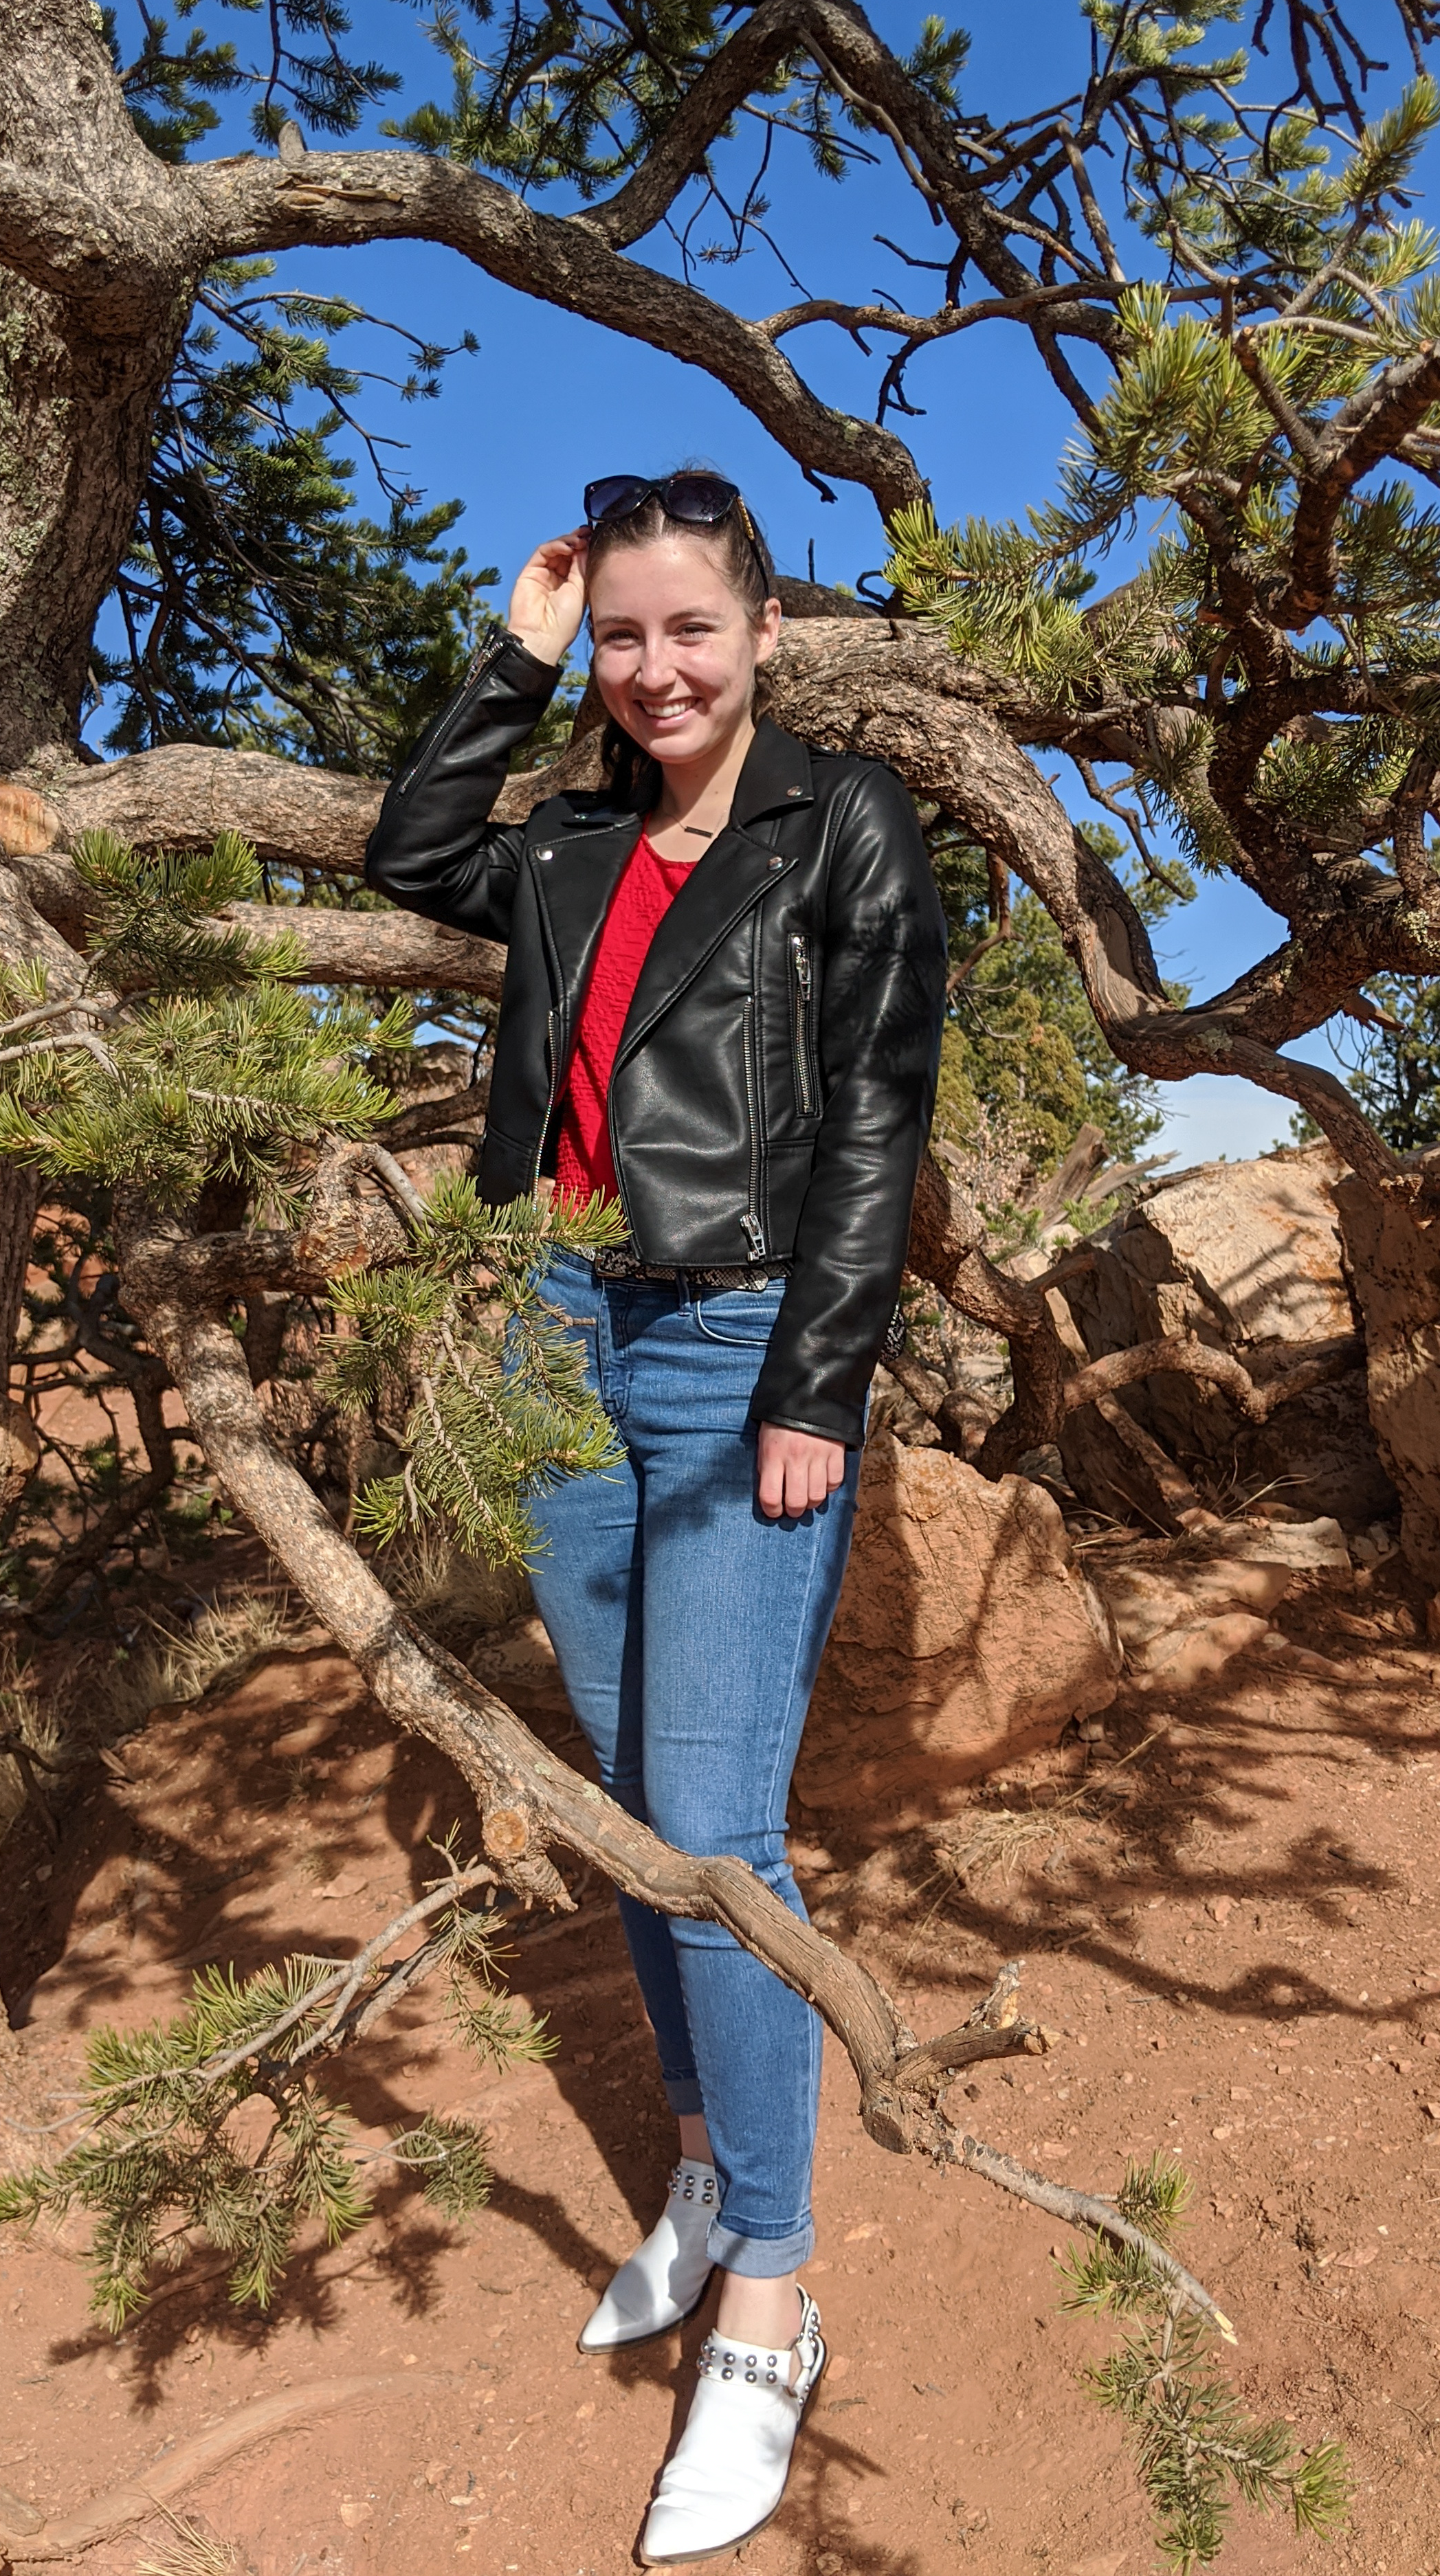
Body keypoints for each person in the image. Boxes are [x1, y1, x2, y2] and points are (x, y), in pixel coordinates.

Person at [366, 469, 947, 2563]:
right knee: (627, 1791)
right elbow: (411, 847)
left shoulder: (843, 826)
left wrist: (820, 1383)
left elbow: (882, 1113)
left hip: (731, 1350)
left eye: (688, 629)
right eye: (623, 635)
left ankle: (772, 2306)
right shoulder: (572, 838)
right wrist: (515, 650)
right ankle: (702, 2164)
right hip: (551, 1324)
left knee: (717, 1823)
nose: (659, 669)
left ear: (765, 629)